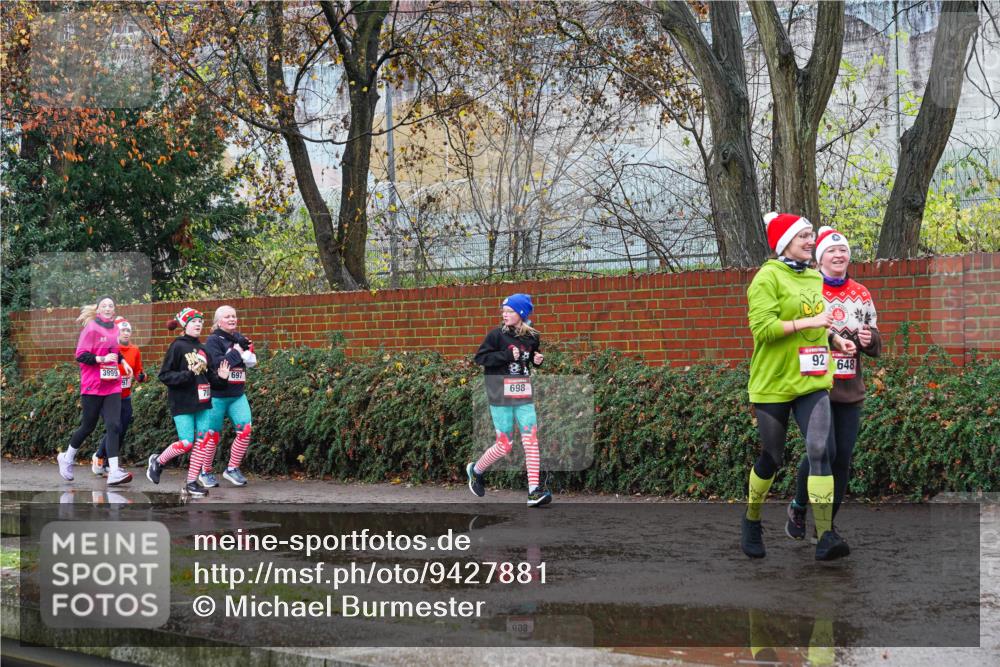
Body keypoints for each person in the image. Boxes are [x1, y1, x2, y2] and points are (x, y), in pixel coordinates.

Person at [741, 213, 856, 561]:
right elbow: (763, 329)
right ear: (785, 242)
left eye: (811, 235)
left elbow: (815, 325)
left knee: (821, 450)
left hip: (811, 379)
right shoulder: (766, 278)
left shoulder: (812, 276)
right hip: (774, 381)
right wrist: (812, 321)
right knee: (772, 458)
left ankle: (824, 535)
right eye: (804, 235)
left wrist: (834, 339)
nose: (810, 241)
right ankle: (751, 519)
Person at [786, 227, 881, 541]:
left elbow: (875, 339)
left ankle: (824, 526)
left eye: (843, 251)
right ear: (820, 257)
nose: (839, 256)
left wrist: (870, 339)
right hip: (816, 386)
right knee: (821, 451)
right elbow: (799, 334)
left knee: (841, 458)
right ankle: (799, 506)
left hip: (849, 388)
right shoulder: (810, 289)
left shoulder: (862, 293)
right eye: (831, 251)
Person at [466, 294, 551, 507]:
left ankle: (534, 492)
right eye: (503, 310)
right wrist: (506, 356)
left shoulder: (532, 337)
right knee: (505, 445)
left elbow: (529, 357)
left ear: (521, 313)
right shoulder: (496, 336)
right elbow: (480, 358)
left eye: (510, 311)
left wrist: (536, 359)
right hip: (500, 394)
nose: (505, 314)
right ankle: (476, 470)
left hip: (523, 393)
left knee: (531, 439)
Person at [145, 308, 228, 497]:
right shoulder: (177, 346)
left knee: (203, 441)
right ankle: (158, 461)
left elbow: (211, 380)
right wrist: (188, 374)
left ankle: (191, 482)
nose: (198, 324)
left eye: (200, 321)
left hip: (203, 402)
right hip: (182, 402)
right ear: (184, 325)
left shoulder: (204, 349)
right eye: (193, 321)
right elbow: (165, 375)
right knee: (186, 443)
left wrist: (222, 378)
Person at [58, 297, 133, 486]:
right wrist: (101, 359)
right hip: (93, 385)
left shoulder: (115, 329)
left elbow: (113, 350)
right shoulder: (90, 328)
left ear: (114, 310)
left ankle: (114, 471)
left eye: (111, 305)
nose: (108, 308)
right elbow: (81, 355)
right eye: (104, 305)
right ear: (98, 310)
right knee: (88, 426)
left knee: (114, 425)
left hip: (112, 385)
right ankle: (67, 458)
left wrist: (123, 362)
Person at [200, 306, 256, 488]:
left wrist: (242, 352)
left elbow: (252, 361)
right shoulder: (213, 341)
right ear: (218, 321)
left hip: (237, 395)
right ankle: (205, 472)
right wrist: (238, 352)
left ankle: (232, 468)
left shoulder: (240, 338)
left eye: (234, 316)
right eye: (227, 317)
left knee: (245, 429)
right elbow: (219, 365)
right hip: (217, 396)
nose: (232, 319)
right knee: (211, 436)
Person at [92, 316, 145, 476]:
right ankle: (99, 456)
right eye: (123, 330)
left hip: (125, 396)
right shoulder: (107, 348)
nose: (126, 333)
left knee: (122, 429)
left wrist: (141, 376)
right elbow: (96, 369)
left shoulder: (135, 350)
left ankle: (109, 464)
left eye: (129, 330)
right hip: (107, 396)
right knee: (114, 428)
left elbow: (138, 371)